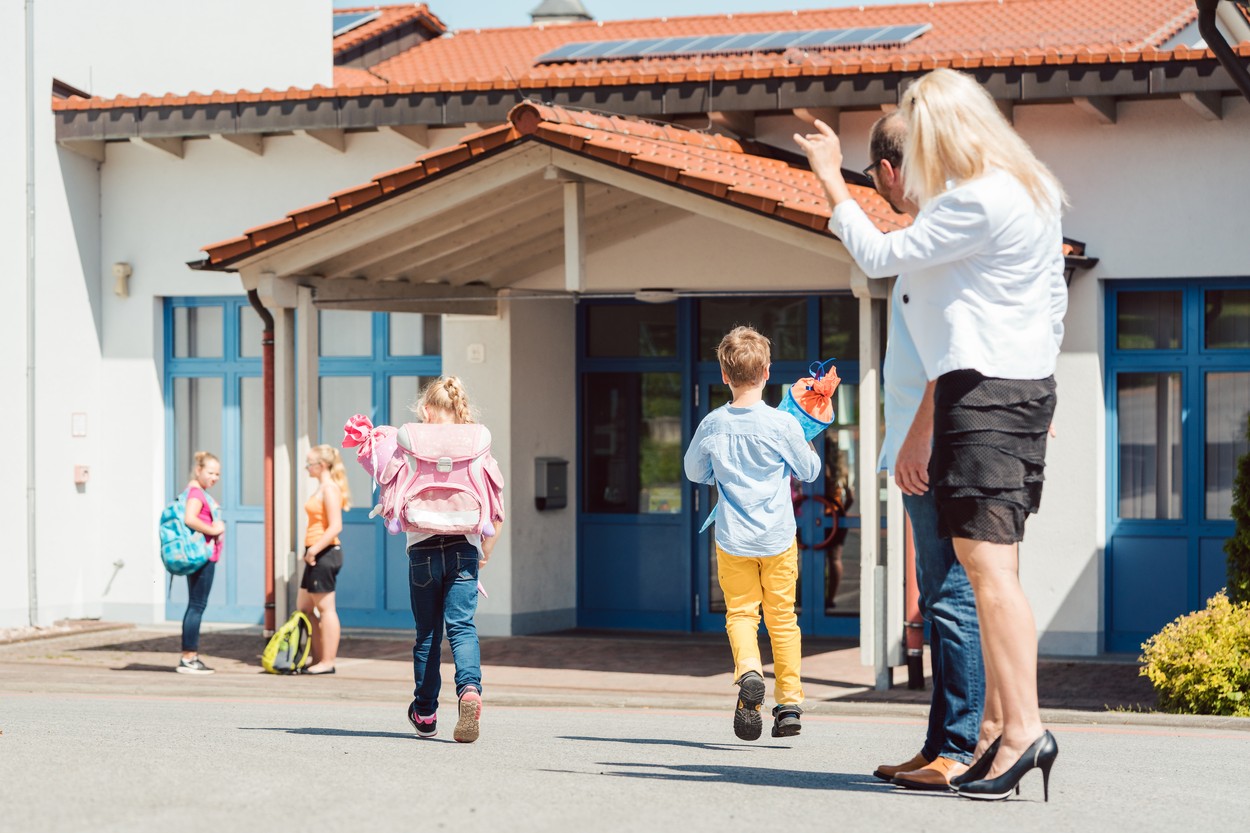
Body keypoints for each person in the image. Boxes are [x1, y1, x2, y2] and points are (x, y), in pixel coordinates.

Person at [796, 67, 1066, 801]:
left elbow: (880, 255)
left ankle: (1019, 731)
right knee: (989, 572)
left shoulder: (978, 199)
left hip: (987, 392)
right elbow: (1051, 305)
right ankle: (1003, 732)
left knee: (985, 574)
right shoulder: (1029, 192)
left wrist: (830, 180)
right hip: (1016, 388)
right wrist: (1033, 380)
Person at [849, 111, 987, 791]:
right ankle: (940, 741)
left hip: (932, 449)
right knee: (941, 597)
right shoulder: (937, 233)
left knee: (953, 597)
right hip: (925, 446)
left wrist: (917, 439)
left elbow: (948, 352)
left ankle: (960, 746)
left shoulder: (936, 237)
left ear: (886, 171)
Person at [684, 326, 822, 741]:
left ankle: (748, 672)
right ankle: (790, 704)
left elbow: (694, 471)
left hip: (732, 538)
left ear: (724, 375)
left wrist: (717, 472)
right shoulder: (781, 424)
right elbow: (810, 472)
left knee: (742, 614)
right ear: (767, 372)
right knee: (782, 619)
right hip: (778, 538)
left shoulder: (712, 423)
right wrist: (806, 439)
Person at [404, 376, 503, 744]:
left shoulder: (411, 441)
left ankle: (426, 712)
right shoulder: (476, 443)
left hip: (422, 547)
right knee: (461, 626)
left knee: (427, 634)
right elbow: (495, 503)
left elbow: (390, 486)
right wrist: (484, 554)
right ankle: (470, 691)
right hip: (464, 546)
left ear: (425, 410)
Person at [297, 444, 352, 675]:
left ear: (321, 465)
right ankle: (317, 657)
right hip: (315, 552)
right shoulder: (321, 488)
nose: (307, 467)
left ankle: (328, 661)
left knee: (326, 609)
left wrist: (314, 550)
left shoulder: (330, 489)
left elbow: (335, 526)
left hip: (324, 553)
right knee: (304, 608)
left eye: (309, 463)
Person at [178, 451, 224, 675]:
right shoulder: (196, 493)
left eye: (217, 474)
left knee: (195, 604)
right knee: (197, 605)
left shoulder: (196, 491)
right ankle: (189, 657)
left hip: (202, 555)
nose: (215, 477)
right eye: (210, 472)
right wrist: (214, 529)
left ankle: (189, 656)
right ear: (198, 470)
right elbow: (190, 518)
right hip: (202, 556)